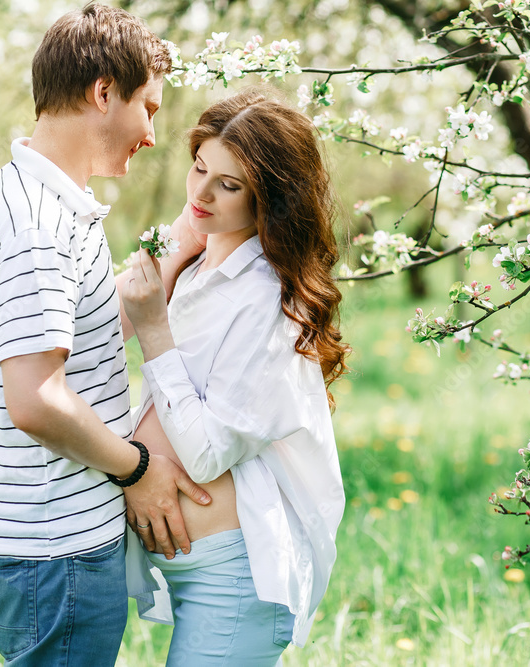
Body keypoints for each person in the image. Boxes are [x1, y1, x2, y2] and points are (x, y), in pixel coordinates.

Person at [0, 5, 210, 665]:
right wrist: (140, 470)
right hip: (51, 549)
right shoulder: (36, 224)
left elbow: (87, 330)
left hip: (54, 544)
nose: (152, 133)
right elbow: (36, 398)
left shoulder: (47, 201)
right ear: (103, 92)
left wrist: (183, 240)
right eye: (148, 108)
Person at [119, 90, 349, 665]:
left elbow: (206, 454)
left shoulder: (267, 299)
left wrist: (155, 331)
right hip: (203, 571)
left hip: (237, 577)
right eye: (199, 167)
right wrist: (176, 251)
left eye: (229, 185)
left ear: (270, 200)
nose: (200, 193)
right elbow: (98, 329)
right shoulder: (200, 263)